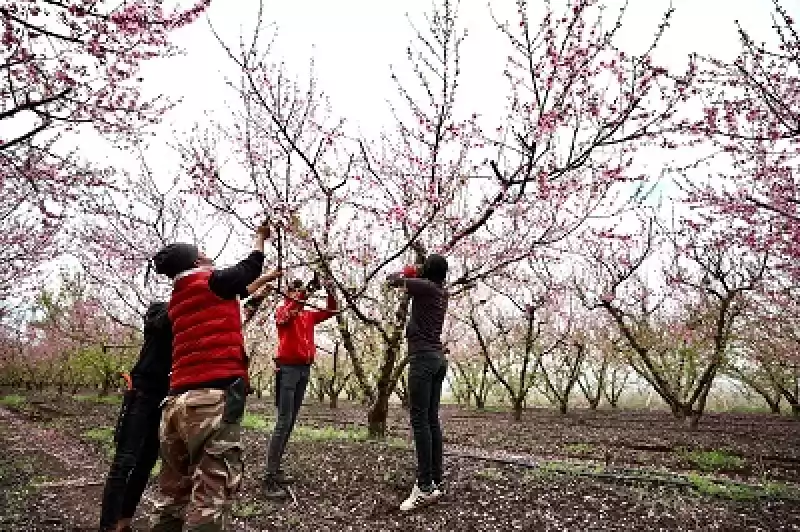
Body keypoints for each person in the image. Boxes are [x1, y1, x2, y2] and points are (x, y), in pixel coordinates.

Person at [149, 222, 280, 532]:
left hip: (174, 405)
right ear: (196, 263)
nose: (210, 259)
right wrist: (260, 239)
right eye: (204, 255)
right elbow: (247, 268)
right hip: (210, 402)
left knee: (172, 493)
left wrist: (263, 286)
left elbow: (231, 296)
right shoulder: (211, 282)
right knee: (211, 493)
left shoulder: (178, 301)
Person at [262, 275, 337, 499]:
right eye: (294, 290)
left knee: (291, 421)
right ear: (289, 292)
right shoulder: (282, 311)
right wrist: (304, 295)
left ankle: (275, 470)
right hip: (287, 370)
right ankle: (268, 477)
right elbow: (286, 315)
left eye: (299, 289)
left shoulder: (306, 315)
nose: (297, 293)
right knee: (283, 421)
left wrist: (331, 290)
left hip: (304, 370)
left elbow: (331, 311)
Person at [99, 302, 172, 532]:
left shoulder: (191, 318)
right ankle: (108, 526)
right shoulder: (159, 310)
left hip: (165, 396)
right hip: (142, 392)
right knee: (124, 461)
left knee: (146, 462)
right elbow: (158, 324)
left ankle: (124, 523)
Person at [386, 254, 449, 512]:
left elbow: (391, 280)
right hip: (437, 359)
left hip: (423, 360)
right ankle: (435, 479)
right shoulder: (440, 292)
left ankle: (423, 487)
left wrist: (412, 270)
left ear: (427, 271)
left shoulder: (424, 287)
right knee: (431, 420)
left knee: (420, 420)